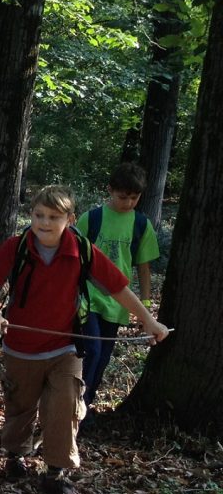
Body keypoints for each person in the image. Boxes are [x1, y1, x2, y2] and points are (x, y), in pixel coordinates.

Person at [0, 185, 169, 494]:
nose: (44, 223)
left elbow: (119, 288)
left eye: (53, 217)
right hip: (21, 346)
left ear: (70, 219)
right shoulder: (17, 246)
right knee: (21, 407)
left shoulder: (82, 249)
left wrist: (148, 320)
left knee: (65, 406)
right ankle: (16, 454)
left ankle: (55, 476)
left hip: (65, 347)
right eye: (39, 215)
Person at [74, 163, 160, 415]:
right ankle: (73, 406)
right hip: (86, 298)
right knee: (91, 350)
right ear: (110, 190)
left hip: (118, 303)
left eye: (135, 197)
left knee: (101, 360)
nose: (129, 202)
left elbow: (144, 268)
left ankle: (83, 408)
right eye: (123, 197)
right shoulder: (92, 218)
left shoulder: (141, 225)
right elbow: (74, 257)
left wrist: (144, 307)